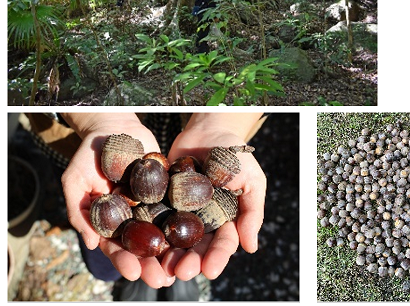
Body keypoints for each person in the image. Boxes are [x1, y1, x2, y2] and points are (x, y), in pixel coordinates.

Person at [26, 112, 266, 300]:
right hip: (76, 143)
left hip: (193, 136)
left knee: (185, 257)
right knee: (107, 263)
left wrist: (222, 123)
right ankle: (144, 267)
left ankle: (174, 270)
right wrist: (98, 118)